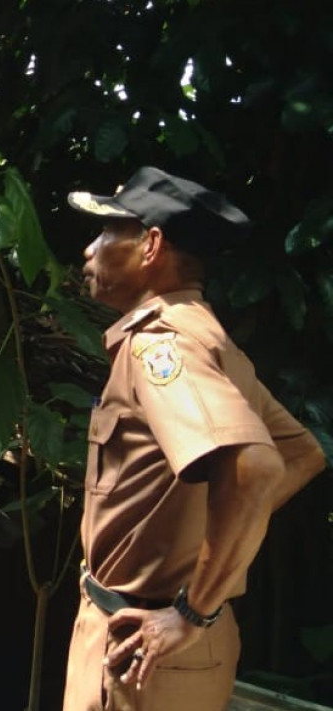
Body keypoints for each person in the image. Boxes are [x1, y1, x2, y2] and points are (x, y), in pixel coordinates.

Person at [61, 166, 327, 711]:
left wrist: (190, 611)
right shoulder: (208, 336)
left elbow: (257, 469)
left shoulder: (164, 346)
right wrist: (206, 536)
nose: (90, 250)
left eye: (107, 232)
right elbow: (301, 452)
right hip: (152, 638)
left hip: (141, 650)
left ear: (151, 244)